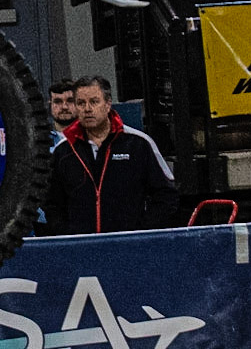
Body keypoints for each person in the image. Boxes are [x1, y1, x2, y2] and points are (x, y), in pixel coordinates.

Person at [42, 75, 177, 234]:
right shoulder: (64, 151)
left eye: (94, 102)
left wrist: (142, 232)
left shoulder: (138, 144)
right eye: (81, 103)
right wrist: (65, 233)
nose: (87, 109)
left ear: (107, 104)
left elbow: (166, 195)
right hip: (80, 250)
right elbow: (51, 203)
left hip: (129, 248)